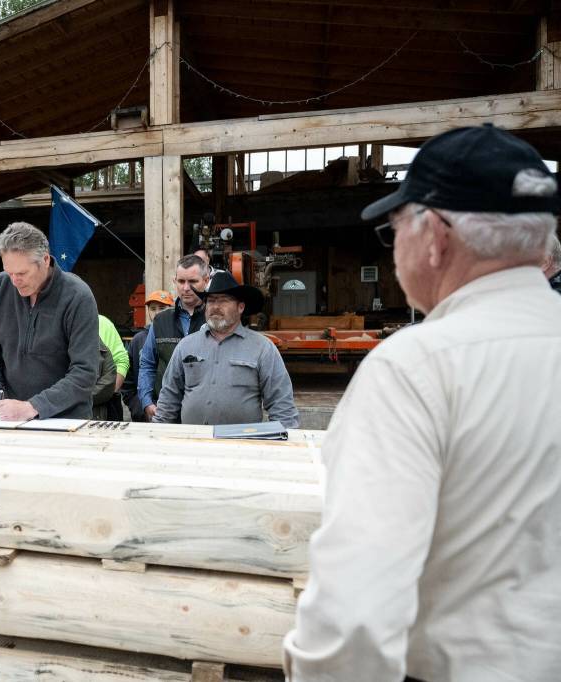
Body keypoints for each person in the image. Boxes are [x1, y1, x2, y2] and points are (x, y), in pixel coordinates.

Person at [284, 125, 561, 681]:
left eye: (393, 231)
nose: (393, 252)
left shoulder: (415, 368)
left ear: (435, 236)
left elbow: (354, 618)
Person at [0, 222, 99, 420]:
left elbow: (85, 373)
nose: (15, 281)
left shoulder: (78, 296)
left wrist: (33, 407)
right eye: (10, 273)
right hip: (9, 417)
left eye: (22, 273)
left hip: (66, 420)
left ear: (45, 260)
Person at [151, 271, 299, 427]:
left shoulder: (263, 348)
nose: (215, 306)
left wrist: (286, 440)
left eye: (223, 301)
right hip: (193, 442)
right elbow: (169, 398)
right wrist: (158, 433)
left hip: (242, 445)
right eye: (211, 301)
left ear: (240, 307)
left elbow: (281, 405)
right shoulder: (186, 345)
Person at [137, 254, 210, 420]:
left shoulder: (215, 320)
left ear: (206, 281)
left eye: (192, 282)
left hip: (204, 415)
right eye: (181, 281)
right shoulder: (161, 321)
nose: (186, 288)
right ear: (174, 281)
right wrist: (147, 401)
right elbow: (147, 363)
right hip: (166, 412)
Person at [121, 289, 173, 422]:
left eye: (162, 308)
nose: (157, 313)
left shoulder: (177, 336)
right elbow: (128, 382)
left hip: (173, 412)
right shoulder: (138, 340)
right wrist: (140, 408)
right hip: (144, 414)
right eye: (153, 308)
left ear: (172, 309)